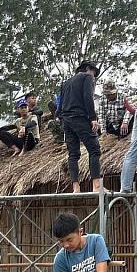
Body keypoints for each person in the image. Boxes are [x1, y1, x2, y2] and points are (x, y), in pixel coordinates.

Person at [56, 61, 102, 192]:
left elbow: (59, 107)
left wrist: (61, 120)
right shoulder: (87, 77)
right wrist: (93, 118)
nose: (94, 76)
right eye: (94, 72)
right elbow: (88, 97)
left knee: (73, 154)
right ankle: (96, 186)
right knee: (94, 150)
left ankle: (75, 187)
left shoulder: (65, 83)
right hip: (79, 117)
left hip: (66, 120)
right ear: (88, 69)